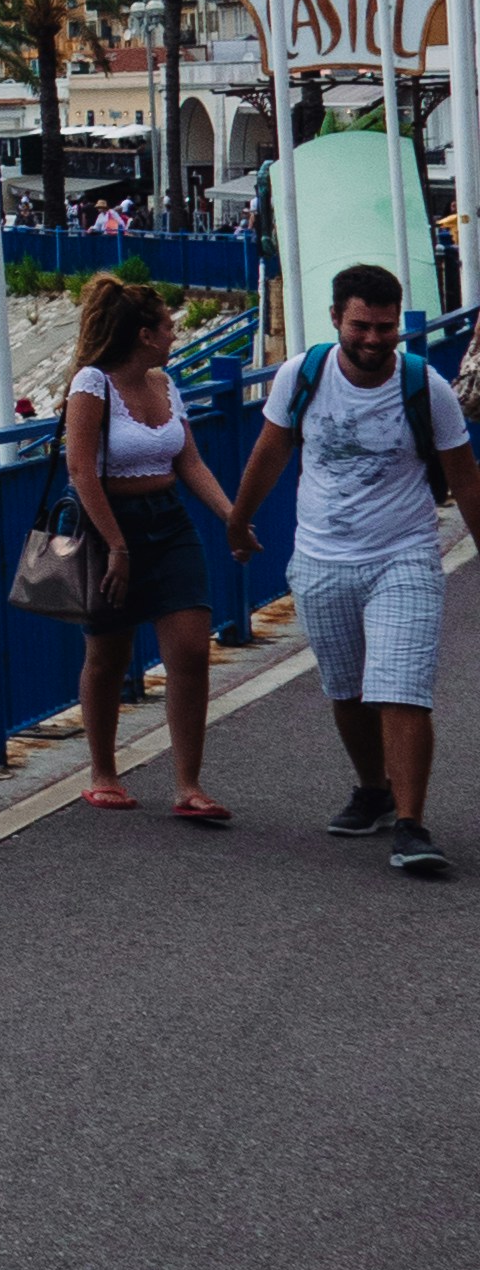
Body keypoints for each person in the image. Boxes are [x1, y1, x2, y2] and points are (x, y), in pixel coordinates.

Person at [228, 260, 480, 879]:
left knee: (401, 689)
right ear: (336, 319)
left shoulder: (427, 388)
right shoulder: (303, 375)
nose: (373, 340)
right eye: (361, 326)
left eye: (386, 328)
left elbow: (465, 480)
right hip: (321, 558)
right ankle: (374, 788)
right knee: (347, 691)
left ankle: (413, 825)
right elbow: (271, 451)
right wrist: (239, 519)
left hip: (405, 555)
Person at [60, 278, 238, 822]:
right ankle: (103, 772)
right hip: (108, 526)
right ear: (144, 334)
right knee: (109, 654)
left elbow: (189, 461)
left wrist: (233, 518)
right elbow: (81, 472)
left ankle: (189, 784)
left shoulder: (164, 382)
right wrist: (117, 546)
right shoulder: (92, 385)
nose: (174, 331)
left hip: (170, 524)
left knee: (189, 649)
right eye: (167, 325)